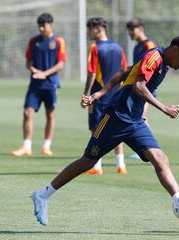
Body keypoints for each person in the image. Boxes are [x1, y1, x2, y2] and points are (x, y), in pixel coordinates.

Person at [31, 34, 179, 226]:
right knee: (88, 161)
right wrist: (164, 108)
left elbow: (124, 71)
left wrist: (100, 92)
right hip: (116, 117)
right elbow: (138, 86)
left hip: (135, 121)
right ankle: (43, 195)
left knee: (160, 158)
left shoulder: (164, 64)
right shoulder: (155, 57)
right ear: (176, 50)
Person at [12, 13, 67, 157]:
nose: (42, 28)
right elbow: (28, 62)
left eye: (44, 25)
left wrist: (45, 73)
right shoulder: (33, 41)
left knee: (50, 114)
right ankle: (26, 146)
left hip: (51, 84)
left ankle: (46, 146)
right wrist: (33, 69)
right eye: (40, 26)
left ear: (51, 24)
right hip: (35, 84)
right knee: (27, 112)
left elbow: (60, 64)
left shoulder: (59, 41)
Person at [81, 17, 128, 175]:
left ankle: (96, 166)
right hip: (115, 94)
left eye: (90, 29)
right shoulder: (118, 47)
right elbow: (124, 70)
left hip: (99, 95)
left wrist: (86, 94)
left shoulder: (94, 48)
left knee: (96, 129)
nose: (88, 32)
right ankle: (121, 165)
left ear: (99, 29)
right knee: (116, 128)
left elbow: (92, 73)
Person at [126, 17, 157, 159]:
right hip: (137, 87)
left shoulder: (148, 44)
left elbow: (154, 65)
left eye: (133, 30)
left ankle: (150, 148)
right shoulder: (137, 47)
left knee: (140, 117)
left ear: (140, 29)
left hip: (146, 87)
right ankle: (147, 148)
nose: (131, 33)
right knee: (139, 117)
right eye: (129, 31)